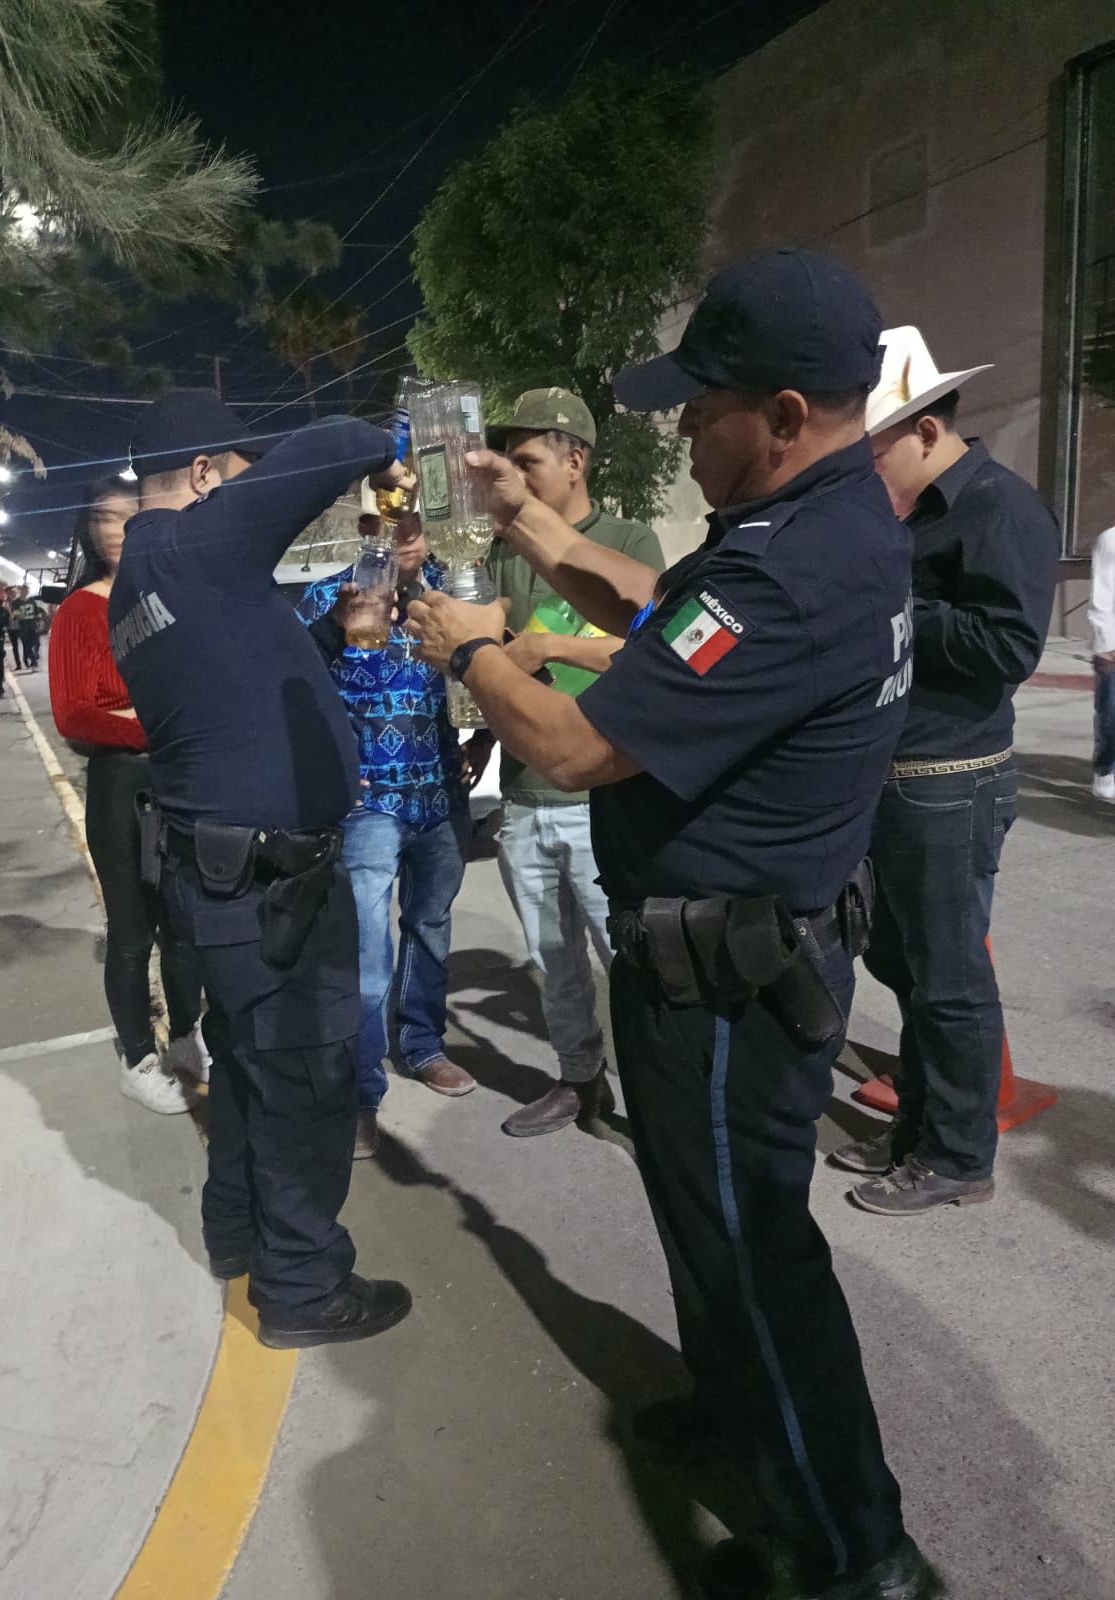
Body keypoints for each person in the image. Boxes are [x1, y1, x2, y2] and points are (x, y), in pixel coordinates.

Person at [409, 249, 933, 1600]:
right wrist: (530, 523)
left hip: (726, 981)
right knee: (705, 1226)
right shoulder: (815, 524)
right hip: (733, 955)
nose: (682, 423)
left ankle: (854, 1552)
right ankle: (742, 1417)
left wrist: (470, 649)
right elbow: (657, 609)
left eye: (705, 403)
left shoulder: (786, 572)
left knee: (756, 1255)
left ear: (787, 413)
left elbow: (576, 748)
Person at [110, 387, 413, 1350]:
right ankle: (303, 1287)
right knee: (306, 1085)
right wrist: (402, 446)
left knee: (247, 1070)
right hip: (272, 888)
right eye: (236, 472)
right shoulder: (192, 544)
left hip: (222, 882)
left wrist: (329, 631)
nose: (245, 487)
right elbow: (335, 441)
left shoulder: (144, 581)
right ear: (204, 475)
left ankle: (237, 1234)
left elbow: (229, 678)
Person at [829, 327, 1060, 1217]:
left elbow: (1007, 647)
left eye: (873, 452)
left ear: (926, 430)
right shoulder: (913, 512)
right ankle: (922, 1127)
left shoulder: (1001, 510)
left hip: (951, 776)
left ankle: (959, 1155)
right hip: (902, 774)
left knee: (950, 975)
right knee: (911, 968)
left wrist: (892, 606)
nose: (867, 473)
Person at [470, 388, 664, 1137]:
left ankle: (661, 1098)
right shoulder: (502, 550)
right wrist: (483, 735)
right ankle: (580, 1082)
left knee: (631, 963)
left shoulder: (628, 541)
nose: (512, 475)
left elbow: (655, 649)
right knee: (554, 964)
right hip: (525, 797)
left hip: (604, 798)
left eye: (527, 461)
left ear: (575, 459)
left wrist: (551, 646)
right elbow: (493, 654)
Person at [295, 507, 477, 1161]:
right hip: (367, 808)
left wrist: (482, 742)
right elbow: (297, 695)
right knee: (367, 960)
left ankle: (422, 1045)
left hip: (440, 797)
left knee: (430, 929)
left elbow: (487, 673)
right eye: (390, 528)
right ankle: (361, 1093)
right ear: (368, 532)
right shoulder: (331, 599)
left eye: (414, 527)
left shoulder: (452, 597)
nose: (404, 540)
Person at [49, 476, 207, 1114]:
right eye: (104, 520)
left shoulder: (169, 596)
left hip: (179, 778)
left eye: (127, 517)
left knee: (186, 923)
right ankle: (139, 1059)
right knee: (133, 930)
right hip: (123, 786)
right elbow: (74, 714)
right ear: (89, 532)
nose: (116, 531)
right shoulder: (78, 611)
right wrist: (157, 726)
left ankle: (189, 1038)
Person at [1088, 521, 1115, 802]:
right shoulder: (1111, 539)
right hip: (1114, 644)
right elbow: (1101, 593)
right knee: (1111, 713)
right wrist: (1105, 644)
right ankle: (1106, 768)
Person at [11, 585, 47, 670]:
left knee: (36, 643)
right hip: (23, 626)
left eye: (27, 590)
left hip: (32, 625)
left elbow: (37, 612)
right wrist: (20, 614)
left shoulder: (31, 601)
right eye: (24, 590)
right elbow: (14, 615)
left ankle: (31, 657)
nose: (25, 592)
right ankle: (33, 660)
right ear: (20, 591)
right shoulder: (16, 602)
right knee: (26, 645)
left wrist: (39, 621)